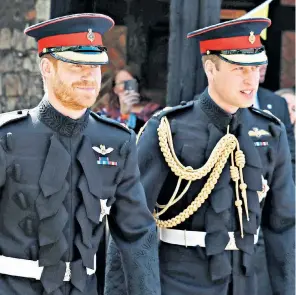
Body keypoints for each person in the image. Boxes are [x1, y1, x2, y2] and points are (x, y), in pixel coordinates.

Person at [105, 17, 295, 295]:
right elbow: (131, 224)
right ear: (211, 68)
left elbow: (283, 227)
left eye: (255, 68)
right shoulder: (168, 129)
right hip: (179, 283)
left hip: (246, 283)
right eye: (238, 69)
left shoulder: (270, 131)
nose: (250, 79)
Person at [0, 13, 161, 295]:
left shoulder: (117, 141)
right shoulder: (8, 137)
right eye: (77, 65)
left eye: (96, 64)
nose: (89, 75)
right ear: (47, 68)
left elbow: (137, 237)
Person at [94, 64, 162, 133]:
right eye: (122, 83)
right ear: (115, 89)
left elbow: (150, 134)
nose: (126, 87)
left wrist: (129, 116)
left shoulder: (152, 110)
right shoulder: (107, 113)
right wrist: (124, 114)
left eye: (130, 83)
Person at [255, 64, 295, 171]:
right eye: (257, 61)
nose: (263, 66)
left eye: (294, 109)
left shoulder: (277, 102)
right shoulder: (222, 100)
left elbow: (290, 152)